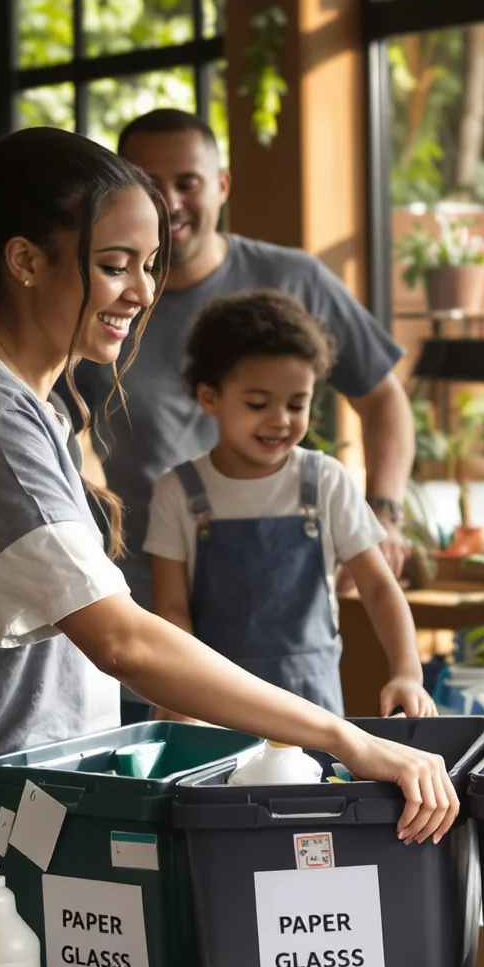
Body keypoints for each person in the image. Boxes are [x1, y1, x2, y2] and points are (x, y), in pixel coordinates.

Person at [0, 127, 456, 967]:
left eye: (150, 264)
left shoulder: (23, 407)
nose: (142, 291)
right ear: (25, 262)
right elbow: (121, 640)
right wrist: (348, 738)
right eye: (116, 262)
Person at [71, 108, 414, 602]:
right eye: (149, 184)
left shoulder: (295, 279)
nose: (170, 202)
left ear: (222, 185)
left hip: (281, 590)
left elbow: (383, 397)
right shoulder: (94, 298)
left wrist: (385, 513)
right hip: (137, 592)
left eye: (188, 182)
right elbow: (65, 428)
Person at [147, 289, 436, 717]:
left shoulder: (325, 481)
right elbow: (171, 610)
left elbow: (378, 586)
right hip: (215, 701)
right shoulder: (177, 491)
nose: (280, 419)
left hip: (313, 704)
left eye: (297, 404)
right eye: (258, 403)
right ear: (209, 397)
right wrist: (178, 697)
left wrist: (407, 672)